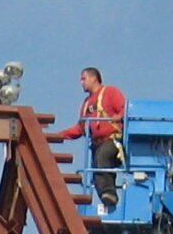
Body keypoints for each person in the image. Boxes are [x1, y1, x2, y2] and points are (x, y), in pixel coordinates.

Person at [47, 66, 128, 208]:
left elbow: (125, 108)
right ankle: (107, 200)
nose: (81, 82)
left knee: (103, 158)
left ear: (94, 78)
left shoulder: (110, 92)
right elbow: (80, 128)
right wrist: (59, 135)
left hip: (113, 140)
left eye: (83, 78)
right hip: (97, 144)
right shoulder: (86, 104)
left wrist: (119, 116)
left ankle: (110, 195)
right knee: (96, 172)